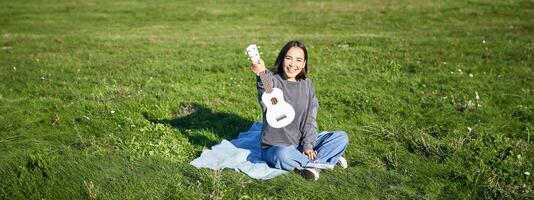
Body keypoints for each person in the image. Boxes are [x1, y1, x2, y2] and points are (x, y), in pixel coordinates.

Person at [250, 41, 349, 181]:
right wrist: (261, 72)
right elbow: (266, 88)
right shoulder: (273, 82)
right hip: (276, 147)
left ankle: (312, 164)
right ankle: (324, 161)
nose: (292, 64)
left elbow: (310, 119)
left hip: (300, 144)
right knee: (282, 155)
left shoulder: (307, 85)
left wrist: (308, 145)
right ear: (282, 59)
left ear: (304, 64)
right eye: (288, 58)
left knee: (341, 137)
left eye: (298, 60)